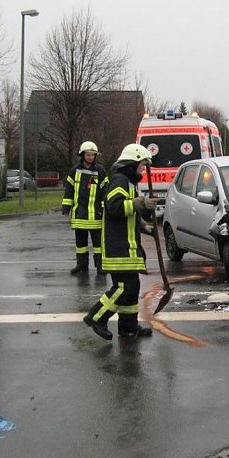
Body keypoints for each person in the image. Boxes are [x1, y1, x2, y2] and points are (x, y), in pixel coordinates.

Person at [84, 143, 158, 340]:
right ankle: (96, 316)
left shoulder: (130, 183)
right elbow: (114, 206)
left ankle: (128, 327)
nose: (143, 168)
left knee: (132, 288)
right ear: (132, 163)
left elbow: (130, 213)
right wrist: (140, 203)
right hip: (119, 248)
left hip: (128, 247)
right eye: (142, 164)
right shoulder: (119, 180)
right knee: (123, 288)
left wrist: (144, 226)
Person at [62, 141, 109, 275]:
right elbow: (69, 191)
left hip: (96, 214)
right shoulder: (74, 171)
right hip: (80, 214)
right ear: (82, 155)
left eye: (92, 155)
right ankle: (81, 265)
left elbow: (105, 190)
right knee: (80, 244)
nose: (90, 157)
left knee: (98, 245)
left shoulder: (100, 171)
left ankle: (100, 267)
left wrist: (104, 207)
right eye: (88, 155)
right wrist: (66, 207)